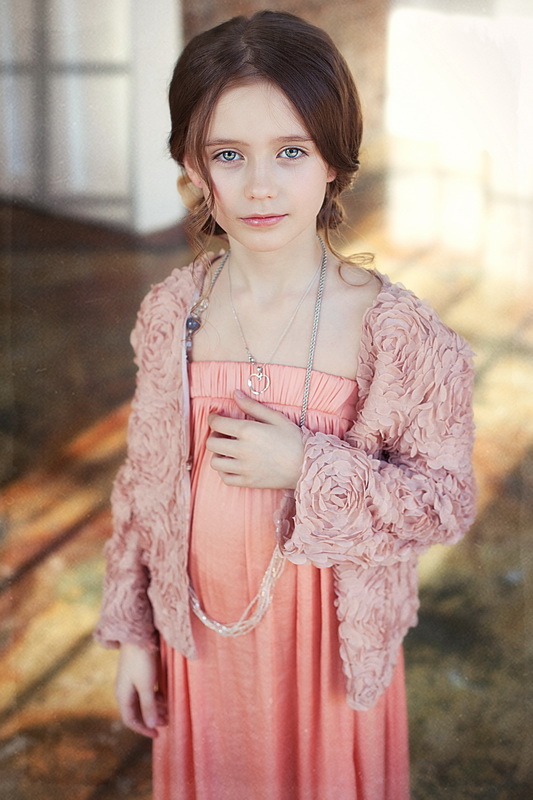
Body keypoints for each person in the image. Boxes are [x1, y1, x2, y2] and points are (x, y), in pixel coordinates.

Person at [95, 10, 476, 799]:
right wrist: (135, 633)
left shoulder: (397, 335)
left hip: (323, 658)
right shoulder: (173, 312)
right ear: (192, 166)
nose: (259, 185)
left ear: (334, 159)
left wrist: (308, 464)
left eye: (291, 151)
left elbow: (443, 503)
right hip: (200, 645)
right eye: (228, 154)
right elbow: (143, 486)